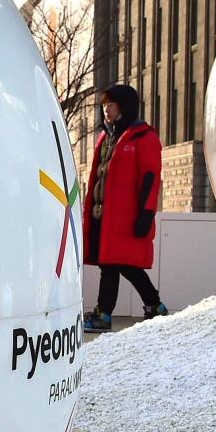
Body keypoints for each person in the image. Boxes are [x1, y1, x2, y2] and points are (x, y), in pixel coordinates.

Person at [81, 85, 167, 331]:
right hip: (104, 218)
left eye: (111, 104)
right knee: (117, 264)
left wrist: (145, 214)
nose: (106, 109)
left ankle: (104, 314)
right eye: (104, 105)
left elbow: (150, 179)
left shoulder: (144, 137)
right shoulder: (105, 137)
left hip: (126, 218)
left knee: (117, 265)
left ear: (125, 106)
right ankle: (153, 306)